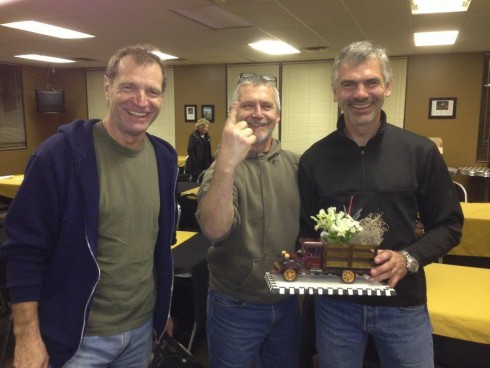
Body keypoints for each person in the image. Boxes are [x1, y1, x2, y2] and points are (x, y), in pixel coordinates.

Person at [0, 44, 179, 368]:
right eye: (129, 87)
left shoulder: (164, 159)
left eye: (152, 91)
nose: (141, 101)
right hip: (77, 341)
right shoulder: (60, 156)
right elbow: (24, 251)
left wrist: (161, 311)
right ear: (108, 88)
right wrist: (26, 336)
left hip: (140, 333)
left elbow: (157, 245)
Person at [298, 40, 463, 368]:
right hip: (336, 307)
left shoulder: (419, 151)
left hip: (403, 304)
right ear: (335, 91)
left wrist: (409, 257)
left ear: (387, 87)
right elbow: (304, 232)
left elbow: (449, 225)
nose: (360, 93)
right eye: (349, 84)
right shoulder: (313, 160)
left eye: (371, 82)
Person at [195, 73, 301, 367]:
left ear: (278, 114)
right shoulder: (220, 170)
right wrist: (228, 164)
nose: (257, 114)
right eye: (248, 106)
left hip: (287, 301)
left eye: (266, 106)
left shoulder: (296, 165)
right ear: (234, 112)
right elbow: (215, 230)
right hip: (234, 305)